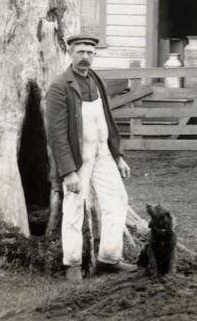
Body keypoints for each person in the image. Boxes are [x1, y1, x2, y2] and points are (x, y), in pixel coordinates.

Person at [45, 33, 136, 282]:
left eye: (90, 52)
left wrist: (118, 156)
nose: (85, 57)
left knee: (117, 199)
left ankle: (109, 258)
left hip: (102, 152)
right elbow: (56, 134)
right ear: (70, 53)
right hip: (77, 157)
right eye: (80, 52)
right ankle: (72, 264)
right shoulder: (60, 87)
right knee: (74, 207)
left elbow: (107, 120)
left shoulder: (96, 81)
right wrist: (68, 170)